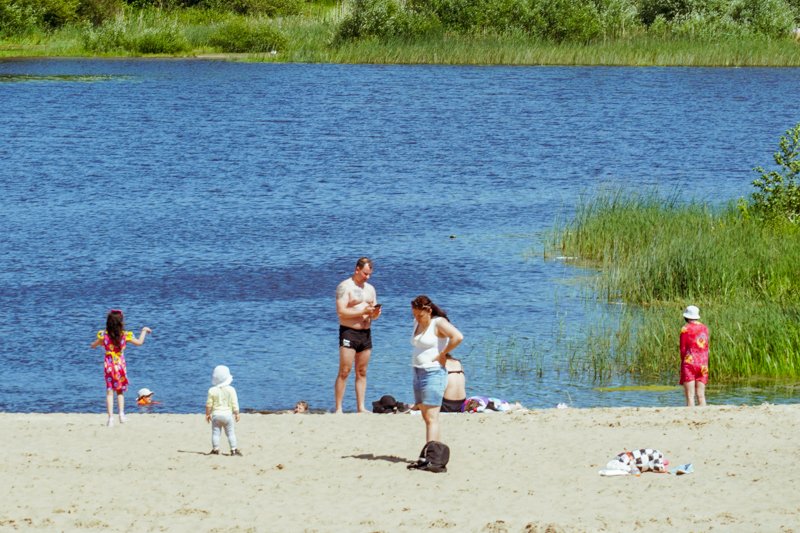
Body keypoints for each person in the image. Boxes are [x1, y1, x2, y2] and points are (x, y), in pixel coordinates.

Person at [410, 295, 463, 444]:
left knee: (432, 416)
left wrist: (443, 353)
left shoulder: (438, 323)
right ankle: (431, 449)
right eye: (414, 314)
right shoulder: (417, 323)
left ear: (428, 310)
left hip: (433, 372)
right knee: (425, 415)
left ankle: (431, 453)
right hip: (417, 371)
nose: (417, 318)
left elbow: (457, 337)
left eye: (420, 315)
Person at [334, 257, 382, 413]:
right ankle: (339, 408)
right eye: (364, 273)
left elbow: (372, 313)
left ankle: (361, 407)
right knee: (345, 370)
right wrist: (361, 311)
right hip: (349, 332)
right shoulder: (344, 287)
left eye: (369, 274)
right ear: (357, 270)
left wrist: (375, 313)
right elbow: (341, 312)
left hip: (366, 333)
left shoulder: (370, 289)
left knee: (362, 371)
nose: (367, 277)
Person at [90, 309, 152, 427]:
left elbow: (94, 345)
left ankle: (110, 419)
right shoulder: (125, 335)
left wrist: (96, 345)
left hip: (109, 365)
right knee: (120, 391)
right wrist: (143, 330)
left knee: (109, 392)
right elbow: (139, 342)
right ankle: (122, 415)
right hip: (120, 365)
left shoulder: (104, 335)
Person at [205, 365, 242, 456]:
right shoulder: (231, 390)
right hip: (227, 415)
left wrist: (207, 414)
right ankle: (233, 450)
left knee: (216, 433)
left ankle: (215, 449)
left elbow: (209, 404)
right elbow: (234, 403)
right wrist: (237, 413)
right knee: (230, 433)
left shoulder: (212, 390)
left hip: (216, 415)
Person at [680, 305, 709, 407]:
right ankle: (704, 417)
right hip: (703, 364)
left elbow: (683, 348)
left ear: (686, 317)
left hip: (690, 362)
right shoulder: (705, 328)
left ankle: (690, 417)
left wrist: (683, 361)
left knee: (690, 396)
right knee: (701, 395)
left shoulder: (685, 329)